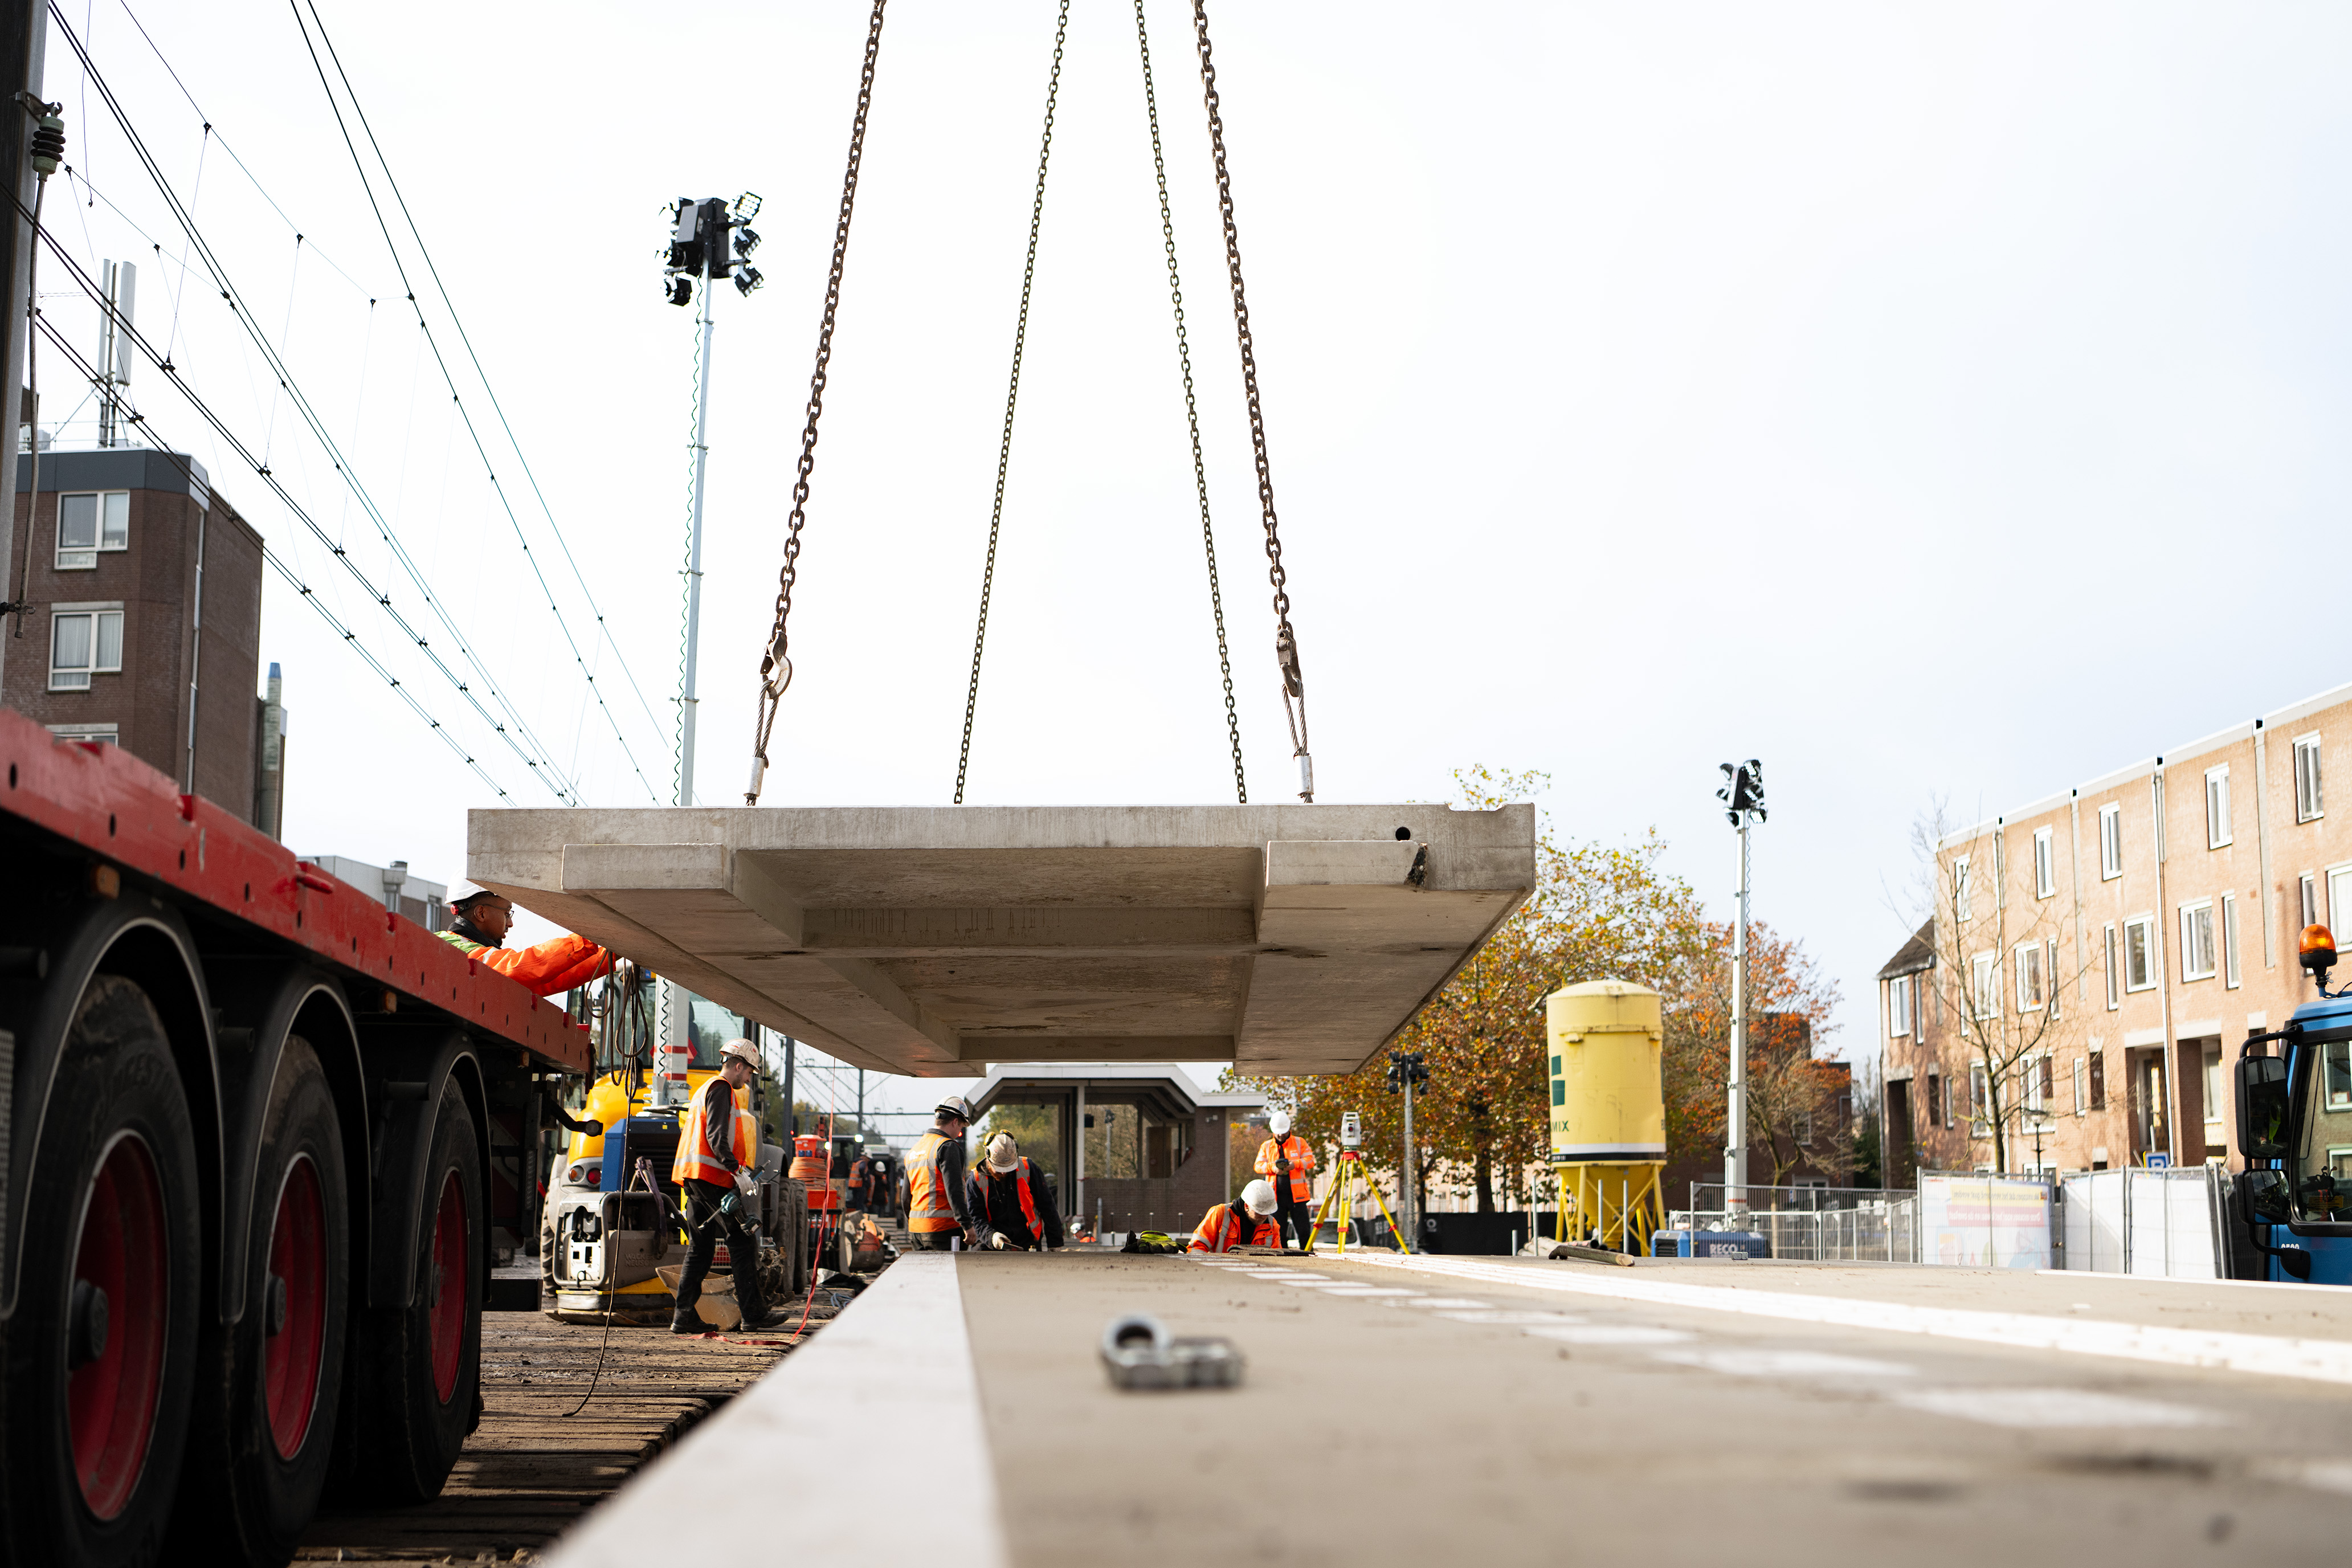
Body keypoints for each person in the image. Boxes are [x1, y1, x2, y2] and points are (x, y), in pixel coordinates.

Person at [668, 1039, 773, 1333]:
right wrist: (736, 1169)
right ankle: (753, 1315)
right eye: (750, 1072)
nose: (750, 1077)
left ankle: (683, 1316)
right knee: (741, 1241)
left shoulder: (705, 1088)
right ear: (738, 1066)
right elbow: (716, 1136)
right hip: (711, 1177)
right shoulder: (722, 1089)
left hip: (695, 1177)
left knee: (700, 1249)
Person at [438, 886, 614, 998]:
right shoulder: (454, 946)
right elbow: (520, 968)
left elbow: (547, 979)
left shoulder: (464, 948)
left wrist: (610, 953)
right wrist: (586, 941)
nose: (510, 923)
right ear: (481, 913)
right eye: (507, 913)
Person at [905, 1096, 991, 1251]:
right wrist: (967, 1225)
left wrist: (916, 1224)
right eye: (961, 1127)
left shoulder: (915, 1150)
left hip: (916, 1231)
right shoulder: (947, 1146)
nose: (960, 1132)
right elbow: (954, 1190)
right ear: (955, 1121)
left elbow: (906, 1197)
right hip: (944, 1230)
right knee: (950, 1275)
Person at [966, 1132, 1064, 1251]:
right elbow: (977, 1218)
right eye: (999, 1169)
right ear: (988, 1157)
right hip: (990, 1241)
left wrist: (1055, 1243)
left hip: (1027, 1240)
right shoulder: (976, 1179)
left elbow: (1047, 1207)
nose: (1003, 1173)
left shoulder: (1029, 1169)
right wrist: (992, 1237)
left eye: (1008, 1169)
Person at [1254, 1112, 1317, 1250]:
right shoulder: (1267, 1146)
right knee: (1279, 1231)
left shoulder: (1299, 1142)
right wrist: (1273, 1168)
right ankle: (1283, 1255)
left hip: (1298, 1197)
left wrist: (1295, 1164)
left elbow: (1310, 1160)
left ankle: (1307, 1253)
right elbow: (1258, 1166)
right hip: (1276, 1198)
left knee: (1304, 1229)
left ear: (1289, 1129)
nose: (1281, 1135)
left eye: (1283, 1132)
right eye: (1278, 1133)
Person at [1190, 1179, 1281, 1253]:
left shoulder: (1272, 1226)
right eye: (1260, 1212)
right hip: (1221, 1273)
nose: (1264, 1217)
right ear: (1247, 1206)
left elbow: (1278, 1259)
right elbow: (1198, 1246)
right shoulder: (1220, 1214)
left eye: (1267, 1212)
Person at [848, 1148, 872, 1213]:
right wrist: (865, 1177)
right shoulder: (862, 1163)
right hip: (860, 1185)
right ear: (865, 1157)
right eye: (869, 1159)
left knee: (856, 1203)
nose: (869, 1160)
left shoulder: (856, 1162)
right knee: (860, 1204)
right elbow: (861, 1169)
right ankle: (860, 1217)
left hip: (854, 1185)